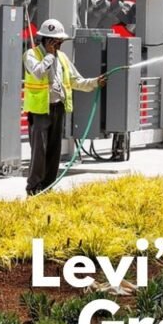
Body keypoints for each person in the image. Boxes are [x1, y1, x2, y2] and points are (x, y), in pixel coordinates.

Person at [23, 19, 106, 195]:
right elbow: (37, 73)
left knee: (54, 150)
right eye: (56, 41)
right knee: (39, 151)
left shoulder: (63, 58)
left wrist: (94, 83)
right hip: (40, 111)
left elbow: (76, 80)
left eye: (60, 42)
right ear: (45, 40)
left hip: (57, 109)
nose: (59, 45)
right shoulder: (31, 55)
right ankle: (33, 188)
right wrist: (49, 56)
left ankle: (48, 187)